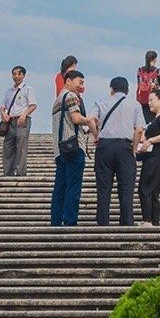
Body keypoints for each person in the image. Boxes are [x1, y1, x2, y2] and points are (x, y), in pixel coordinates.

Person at [92, 75, 142, 227]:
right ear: (127, 90)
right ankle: (126, 224)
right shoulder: (135, 104)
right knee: (126, 189)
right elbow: (139, 129)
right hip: (125, 147)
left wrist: (96, 135)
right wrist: (134, 149)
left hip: (105, 147)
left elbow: (90, 120)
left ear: (111, 89)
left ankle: (102, 224)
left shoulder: (101, 102)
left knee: (103, 189)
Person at [50, 69, 93, 227]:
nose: (81, 86)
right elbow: (75, 118)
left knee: (59, 188)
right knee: (73, 187)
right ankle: (70, 221)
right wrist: (90, 121)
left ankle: (55, 222)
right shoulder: (71, 96)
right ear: (68, 80)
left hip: (60, 150)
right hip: (73, 147)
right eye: (79, 82)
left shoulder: (57, 100)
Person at [137, 89, 160, 226]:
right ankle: (153, 221)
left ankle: (147, 221)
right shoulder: (156, 119)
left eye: (152, 100)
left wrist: (151, 140)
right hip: (151, 157)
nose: (149, 103)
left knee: (145, 189)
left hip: (156, 158)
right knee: (152, 191)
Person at [0, 66, 36, 177]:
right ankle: (8, 173)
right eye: (14, 74)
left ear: (23, 75)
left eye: (19, 74)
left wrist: (24, 114)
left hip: (22, 120)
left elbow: (33, 105)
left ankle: (20, 173)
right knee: (8, 147)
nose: (16, 76)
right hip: (10, 121)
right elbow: (3, 106)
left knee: (21, 147)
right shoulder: (9, 91)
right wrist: (3, 114)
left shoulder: (27, 89)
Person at [136, 51, 160, 124]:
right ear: (154, 59)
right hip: (153, 97)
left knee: (144, 118)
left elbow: (139, 83)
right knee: (152, 119)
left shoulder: (140, 70)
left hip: (142, 98)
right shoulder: (157, 71)